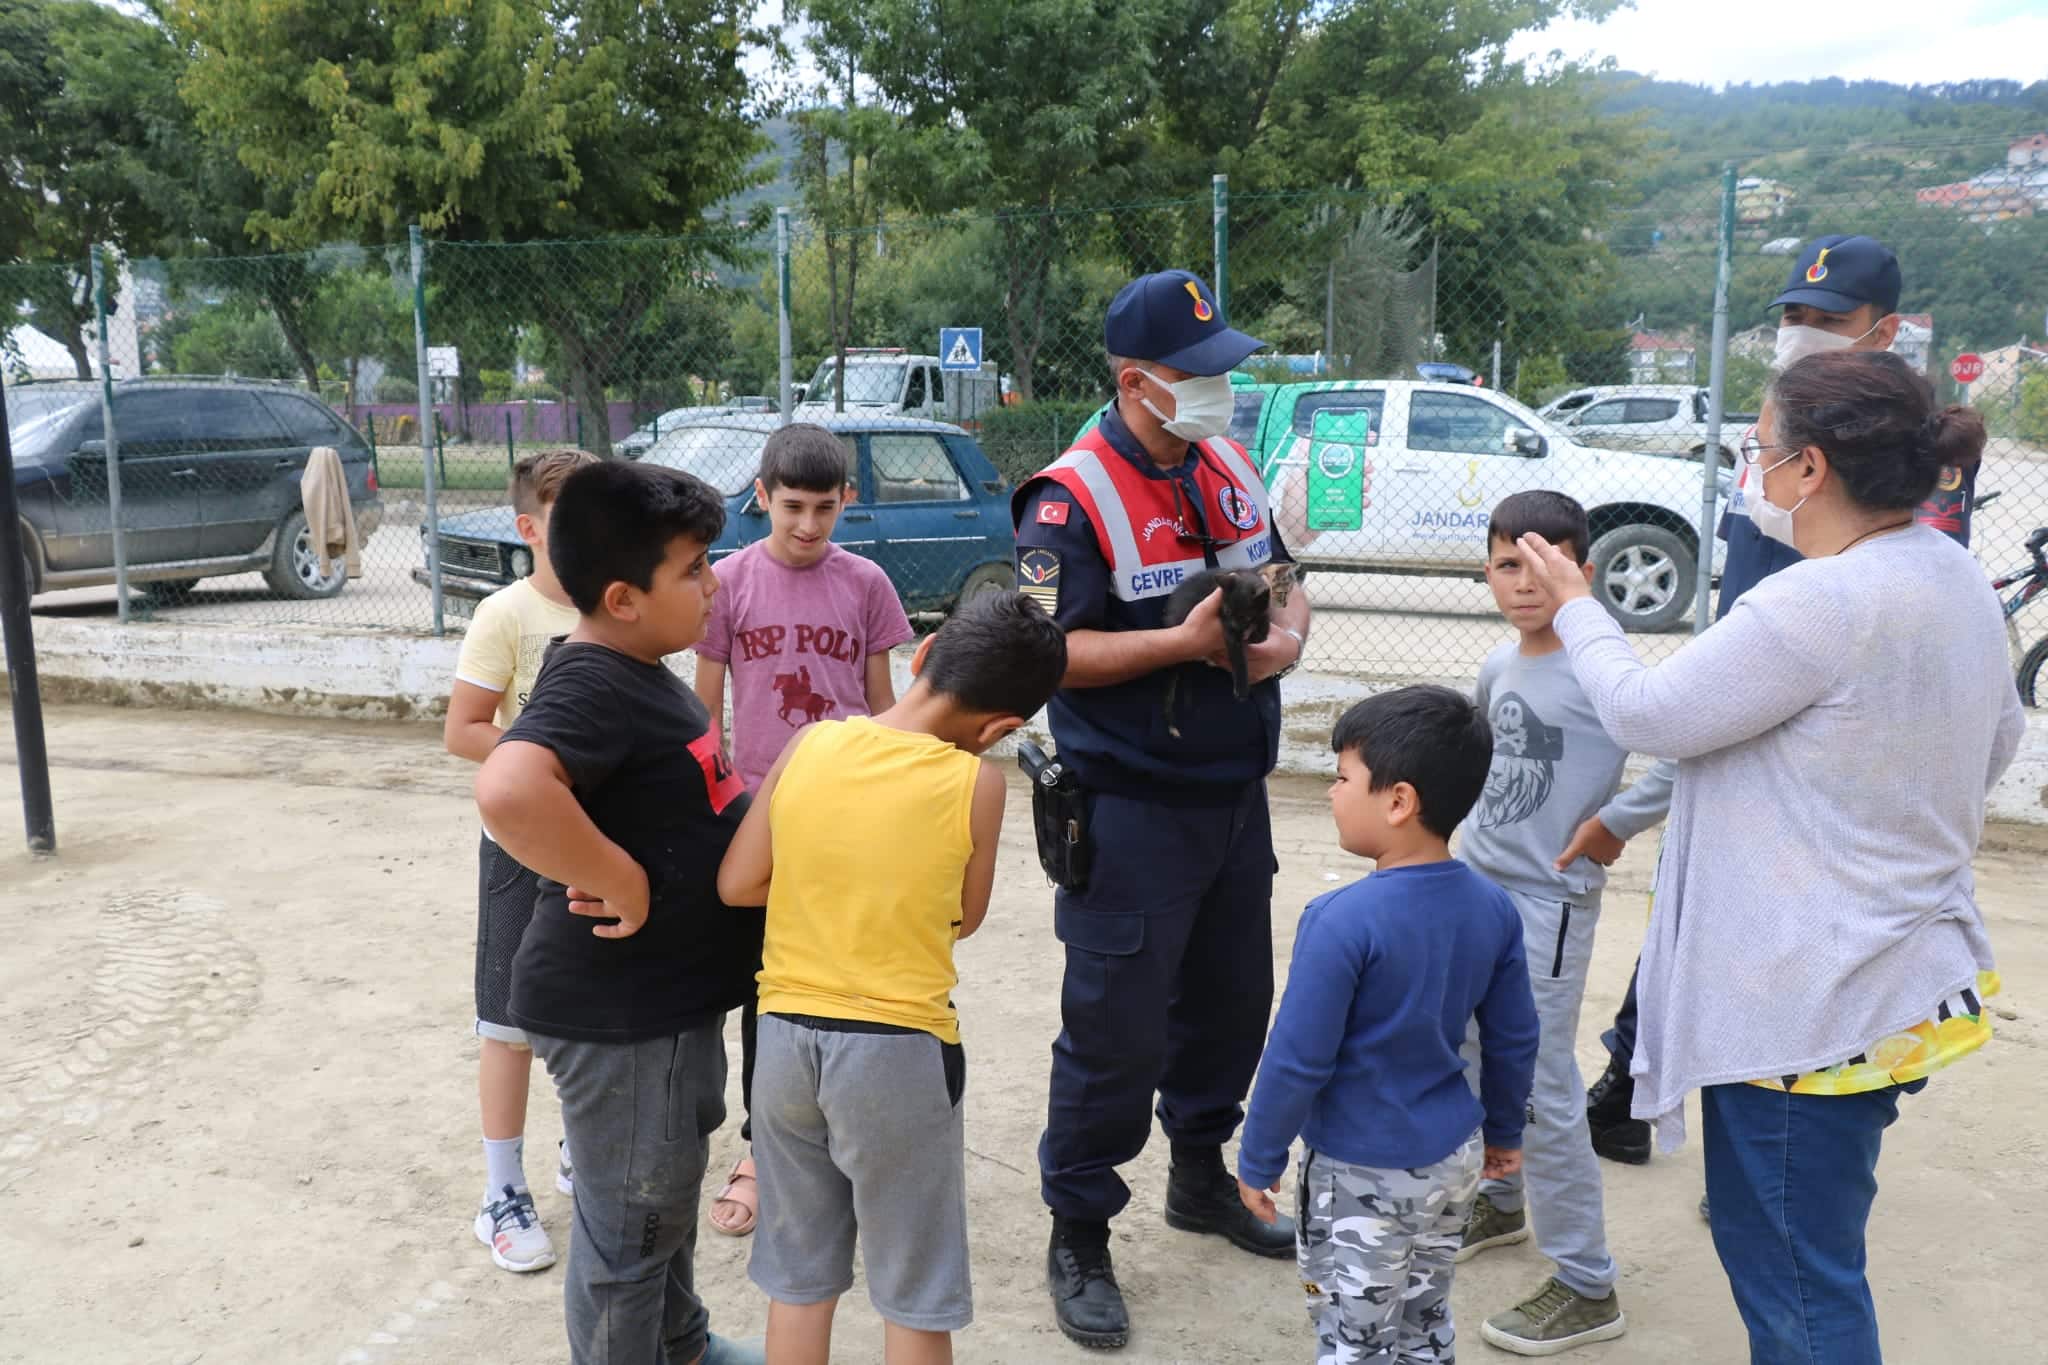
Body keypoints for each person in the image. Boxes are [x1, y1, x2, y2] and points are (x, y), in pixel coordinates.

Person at [1516, 349, 2023, 1363]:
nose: (1750, 471)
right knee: (1809, 1245)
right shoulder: (1945, 570)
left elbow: (1646, 711)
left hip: (1807, 1004)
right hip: (1891, 979)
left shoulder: (1815, 604)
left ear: (1810, 471)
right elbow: (1999, 736)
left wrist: (1576, 600)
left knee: (1792, 1272)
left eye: (1758, 451)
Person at [1584, 231, 1975, 1168]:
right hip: (1789, 836)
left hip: (1807, 919)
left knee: (1789, 1229)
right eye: (1790, 316)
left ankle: (1683, 1104)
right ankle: (1643, 1081)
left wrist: (1574, 609)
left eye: (1824, 320)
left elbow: (1663, 708)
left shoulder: (1827, 564)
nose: (1799, 334)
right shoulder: (1919, 555)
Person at [1010, 269, 1313, 1349]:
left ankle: (1198, 1174)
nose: (1222, 388)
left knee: (1230, 1003)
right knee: (1113, 1033)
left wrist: (1288, 631)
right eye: (1200, 374)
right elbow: (1049, 651)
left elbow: (1280, 580)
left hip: (1233, 796)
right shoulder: (1067, 496)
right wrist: (1178, 647)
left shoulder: (1227, 462)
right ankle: (1078, 1232)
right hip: (1129, 806)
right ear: (1137, 381)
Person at [715, 592, 1068, 1365]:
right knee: (913, 1287)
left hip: (782, 1044)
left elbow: (739, 882)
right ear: (1001, 729)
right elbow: (962, 916)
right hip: (899, 1053)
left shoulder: (810, 744)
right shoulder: (977, 786)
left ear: (924, 651)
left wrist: (823, 884)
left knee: (799, 1279)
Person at [476, 459, 763, 1365]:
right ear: (623, 596)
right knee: (628, 1237)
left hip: (663, 1012)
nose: (714, 585)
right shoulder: (596, 679)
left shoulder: (643, 668)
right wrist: (618, 875)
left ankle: (680, 1344)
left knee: (662, 1203)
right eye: (693, 569)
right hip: (622, 1017)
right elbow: (509, 783)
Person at [1236, 687, 1539, 1365]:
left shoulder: (1341, 918)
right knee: (1424, 1317)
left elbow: (1297, 1057)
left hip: (1358, 1174)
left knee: (1353, 1335)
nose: (1331, 793)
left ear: (1398, 800)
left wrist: (1260, 1153)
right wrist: (1505, 1131)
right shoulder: (1493, 908)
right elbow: (1514, 1036)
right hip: (1452, 1158)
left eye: (1343, 778)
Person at [1448, 492, 1672, 1354]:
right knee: (1471, 1053)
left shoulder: (1605, 670)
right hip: (1475, 890)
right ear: (1488, 573)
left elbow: (1689, 750)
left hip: (1549, 907)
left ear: (1581, 569)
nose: (1525, 581)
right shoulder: (1500, 667)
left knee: (1542, 1089)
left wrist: (1618, 820)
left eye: (1546, 564)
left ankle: (1587, 1282)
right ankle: (1501, 1203)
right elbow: (1474, 765)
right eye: (1508, 564)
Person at [692, 422, 914, 1239]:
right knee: (765, 986)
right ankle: (761, 1148)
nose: (810, 525)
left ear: (847, 500)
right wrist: (720, 805)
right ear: (762, 497)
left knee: (851, 978)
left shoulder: (867, 585)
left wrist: (899, 800)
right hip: (760, 817)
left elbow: (886, 705)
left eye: (826, 507)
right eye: (793, 506)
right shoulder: (729, 582)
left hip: (850, 817)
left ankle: (848, 1142)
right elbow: (704, 709)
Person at [442, 447, 597, 1274]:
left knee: (588, 1008)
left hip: (598, 848)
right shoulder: (505, 613)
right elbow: (464, 726)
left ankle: (580, 1147)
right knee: (509, 1026)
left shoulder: (621, 605)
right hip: (518, 852)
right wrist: (540, 757)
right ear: (528, 527)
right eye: (567, 517)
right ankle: (501, 1191)